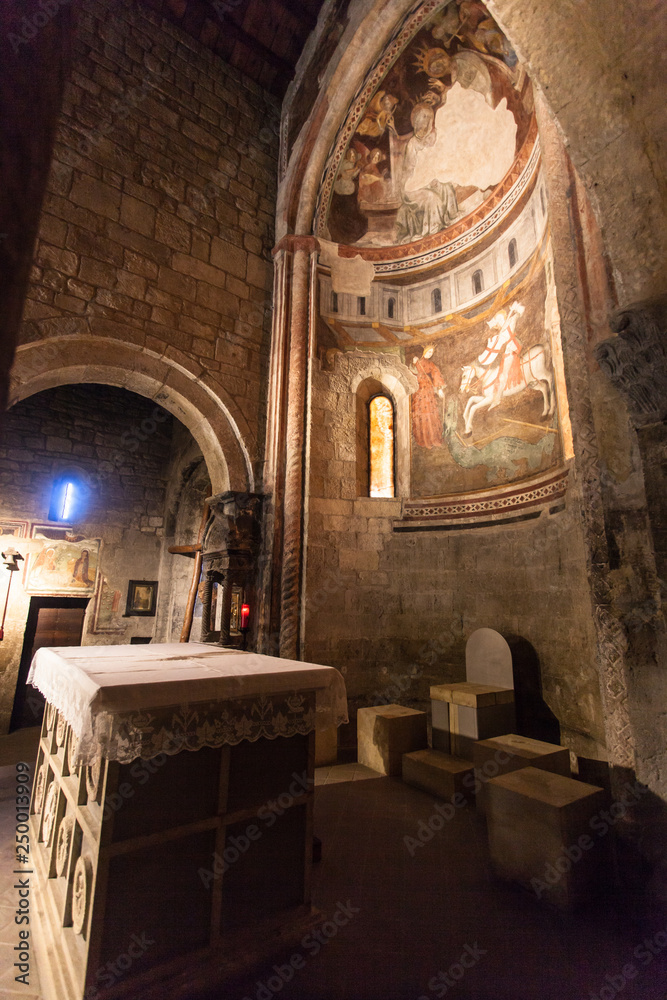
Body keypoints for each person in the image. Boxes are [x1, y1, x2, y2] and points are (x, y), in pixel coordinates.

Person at [477, 301, 525, 406]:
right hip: (506, 353)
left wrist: (516, 309)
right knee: (500, 375)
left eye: (499, 319)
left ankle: (497, 400)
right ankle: (497, 397)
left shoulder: (510, 321)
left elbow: (520, 312)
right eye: (497, 320)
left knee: (503, 376)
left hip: (513, 348)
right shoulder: (500, 332)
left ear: (504, 317)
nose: (498, 322)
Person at [410, 345, 446, 448]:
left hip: (428, 390)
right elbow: (411, 372)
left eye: (431, 353)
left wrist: (439, 389)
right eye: (428, 352)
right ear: (424, 352)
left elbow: (436, 374)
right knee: (420, 413)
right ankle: (422, 439)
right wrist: (413, 363)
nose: (430, 354)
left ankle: (432, 438)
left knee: (430, 412)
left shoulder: (431, 364)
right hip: (418, 389)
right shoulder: (417, 361)